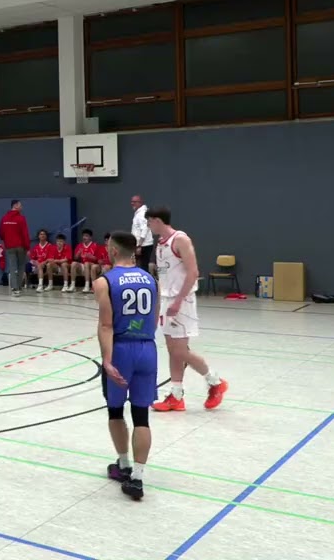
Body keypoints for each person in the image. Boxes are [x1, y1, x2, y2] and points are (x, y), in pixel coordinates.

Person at [93, 231, 158, 501]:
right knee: (141, 415)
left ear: (114, 250)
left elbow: (106, 324)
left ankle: (123, 465)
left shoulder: (104, 282)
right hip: (147, 347)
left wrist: (107, 359)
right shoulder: (151, 279)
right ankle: (139, 478)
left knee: (116, 411)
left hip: (121, 349)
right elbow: (154, 319)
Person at [145, 207, 228, 412]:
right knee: (174, 351)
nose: (148, 226)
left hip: (181, 301)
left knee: (181, 351)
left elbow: (193, 272)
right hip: (167, 299)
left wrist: (178, 301)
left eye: (149, 222)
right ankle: (176, 395)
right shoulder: (160, 243)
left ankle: (216, 382)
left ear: (157, 220)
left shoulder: (180, 239)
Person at [0, 200, 31, 297]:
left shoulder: (4, 218)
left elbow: (1, 233)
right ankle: (19, 287)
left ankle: (14, 288)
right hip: (20, 246)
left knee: (12, 267)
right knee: (21, 266)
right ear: (15, 205)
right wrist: (28, 247)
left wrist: (6, 240)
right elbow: (25, 234)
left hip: (9, 246)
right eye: (20, 205)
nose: (22, 207)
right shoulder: (21, 219)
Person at [131, 196, 155, 274]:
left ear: (140, 202)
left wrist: (139, 246)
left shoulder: (142, 213)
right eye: (132, 202)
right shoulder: (138, 213)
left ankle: (145, 284)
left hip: (144, 245)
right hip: (140, 245)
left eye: (134, 202)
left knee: (143, 267)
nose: (132, 203)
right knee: (138, 266)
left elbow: (145, 229)